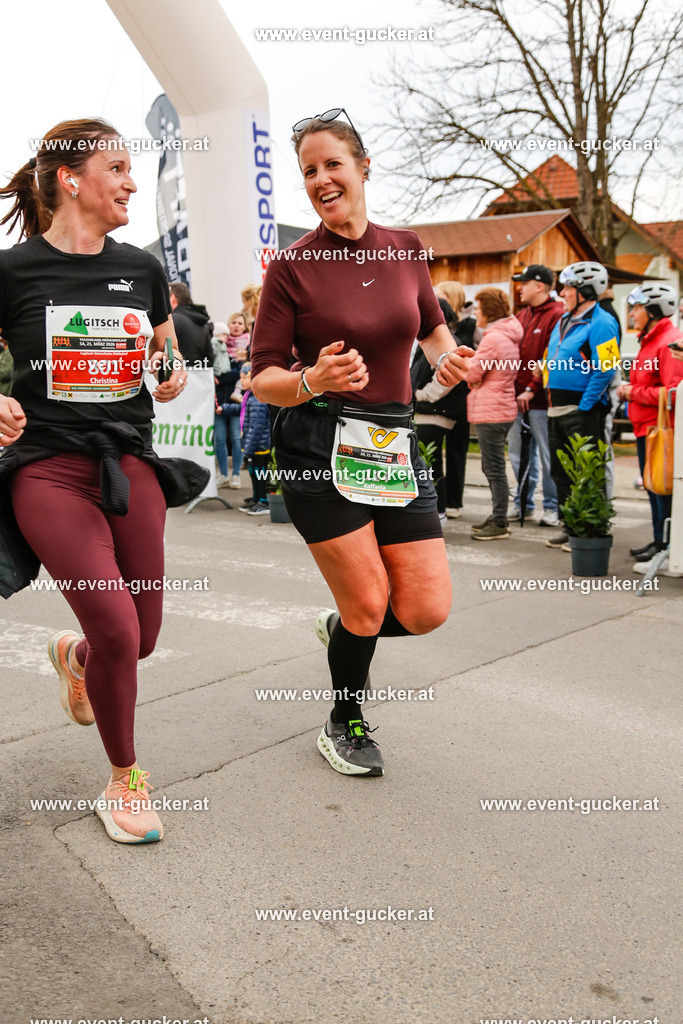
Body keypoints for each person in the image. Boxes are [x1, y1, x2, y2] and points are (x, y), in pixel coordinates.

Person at [250, 107, 471, 777]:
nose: (320, 179)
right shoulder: (291, 267)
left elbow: (430, 327)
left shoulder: (404, 248)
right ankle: (343, 718)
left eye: (331, 164)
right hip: (317, 448)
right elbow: (262, 378)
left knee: (427, 609)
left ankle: (346, 627)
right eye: (308, 170)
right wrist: (311, 379)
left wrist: (450, 357)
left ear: (362, 167)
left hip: (390, 442)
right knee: (369, 603)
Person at [0, 118, 193, 844]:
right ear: (70, 180)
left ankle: (74, 657)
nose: (131, 182)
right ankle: (125, 780)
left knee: (138, 639)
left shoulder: (142, 267)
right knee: (115, 624)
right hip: (48, 470)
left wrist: (169, 375)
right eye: (117, 168)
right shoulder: (12, 271)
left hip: (128, 462)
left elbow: (165, 354)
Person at [543, 262, 618, 550]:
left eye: (568, 288)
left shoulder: (603, 322)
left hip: (583, 410)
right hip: (556, 408)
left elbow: (607, 367)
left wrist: (586, 405)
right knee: (561, 471)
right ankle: (569, 524)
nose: (562, 293)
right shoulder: (564, 319)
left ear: (586, 291)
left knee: (587, 472)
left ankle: (589, 529)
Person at [616, 283, 683, 573]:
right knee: (653, 486)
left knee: (662, 488)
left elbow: (673, 394)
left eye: (638, 308)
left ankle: (667, 546)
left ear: (654, 311)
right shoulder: (650, 339)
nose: (632, 313)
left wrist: (633, 393)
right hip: (646, 428)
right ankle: (659, 541)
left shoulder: (669, 342)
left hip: (661, 431)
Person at [466, 288, 523, 540]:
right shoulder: (508, 336)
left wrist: (474, 379)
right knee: (492, 466)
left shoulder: (492, 339)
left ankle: (499, 521)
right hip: (502, 406)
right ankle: (497, 515)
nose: (475, 313)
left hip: (492, 410)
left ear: (488, 310)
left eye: (478, 308)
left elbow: (472, 374)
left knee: (494, 468)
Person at [508, 264, 562, 526]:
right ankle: (523, 503)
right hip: (517, 399)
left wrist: (532, 387)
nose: (520, 287)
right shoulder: (521, 316)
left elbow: (548, 358)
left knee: (547, 454)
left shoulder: (557, 315)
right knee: (518, 455)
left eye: (524, 282)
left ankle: (552, 507)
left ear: (539, 285)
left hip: (541, 401)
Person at [433, 280, 477, 517]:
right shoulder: (438, 325)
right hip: (440, 396)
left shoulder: (470, 325)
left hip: (461, 396)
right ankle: (443, 500)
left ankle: (454, 502)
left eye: (441, 296)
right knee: (436, 453)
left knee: (457, 450)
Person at [235, 362, 271, 516]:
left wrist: (248, 449)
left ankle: (264, 501)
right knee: (252, 472)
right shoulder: (249, 396)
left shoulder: (257, 398)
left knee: (259, 473)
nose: (241, 381)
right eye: (241, 378)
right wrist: (225, 408)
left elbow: (257, 427)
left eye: (244, 378)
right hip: (253, 445)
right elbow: (242, 411)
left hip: (260, 446)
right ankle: (256, 497)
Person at [211, 321, 242, 488]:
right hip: (218, 404)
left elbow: (240, 374)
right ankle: (223, 475)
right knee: (219, 439)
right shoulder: (214, 352)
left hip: (235, 405)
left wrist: (219, 377)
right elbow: (235, 375)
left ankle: (236, 475)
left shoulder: (238, 356)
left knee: (237, 438)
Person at [169, 281, 213, 368]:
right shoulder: (202, 322)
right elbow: (210, 358)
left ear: (173, 298)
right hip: (200, 376)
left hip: (178, 375)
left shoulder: (172, 320)